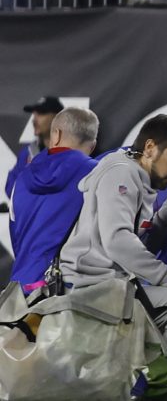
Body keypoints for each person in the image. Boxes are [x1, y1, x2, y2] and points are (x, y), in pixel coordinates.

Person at [58, 115, 167, 386]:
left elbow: (144, 243)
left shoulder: (137, 174)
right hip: (90, 287)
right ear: (150, 148)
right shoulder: (122, 174)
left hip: (108, 285)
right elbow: (118, 241)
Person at [5, 103, 99, 295]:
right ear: (93, 144)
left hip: (21, 290)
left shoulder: (22, 177)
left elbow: (17, 237)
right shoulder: (98, 175)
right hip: (68, 294)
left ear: (55, 135)